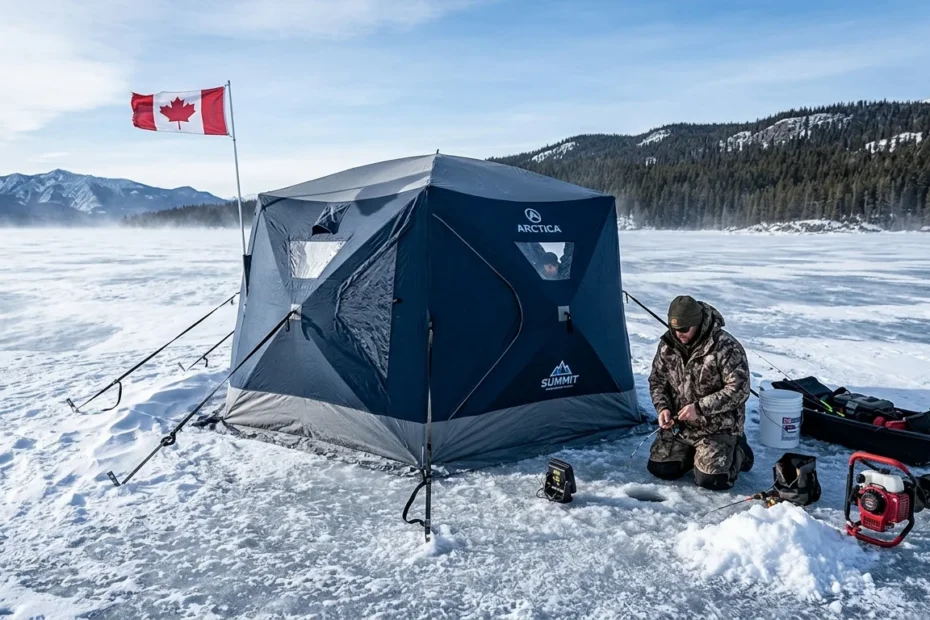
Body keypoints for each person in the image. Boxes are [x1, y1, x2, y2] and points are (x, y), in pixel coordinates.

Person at [647, 295, 754, 490]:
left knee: (712, 481)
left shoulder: (725, 346)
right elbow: (657, 381)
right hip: (681, 426)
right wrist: (663, 407)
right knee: (661, 469)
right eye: (675, 329)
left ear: (697, 324)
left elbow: (739, 389)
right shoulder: (667, 345)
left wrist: (700, 408)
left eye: (684, 329)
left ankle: (739, 450)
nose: (679, 334)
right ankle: (693, 454)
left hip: (717, 427)